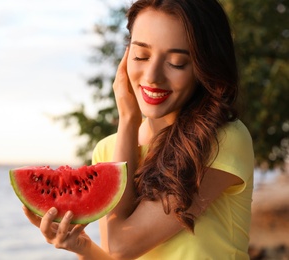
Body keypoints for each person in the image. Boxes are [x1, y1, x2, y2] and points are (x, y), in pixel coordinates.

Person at [23, 0, 254, 259]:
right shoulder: (107, 149)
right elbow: (115, 254)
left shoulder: (222, 139)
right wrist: (81, 246)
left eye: (177, 62)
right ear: (126, 56)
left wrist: (128, 117)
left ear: (203, 69)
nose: (153, 75)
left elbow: (122, 246)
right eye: (141, 56)